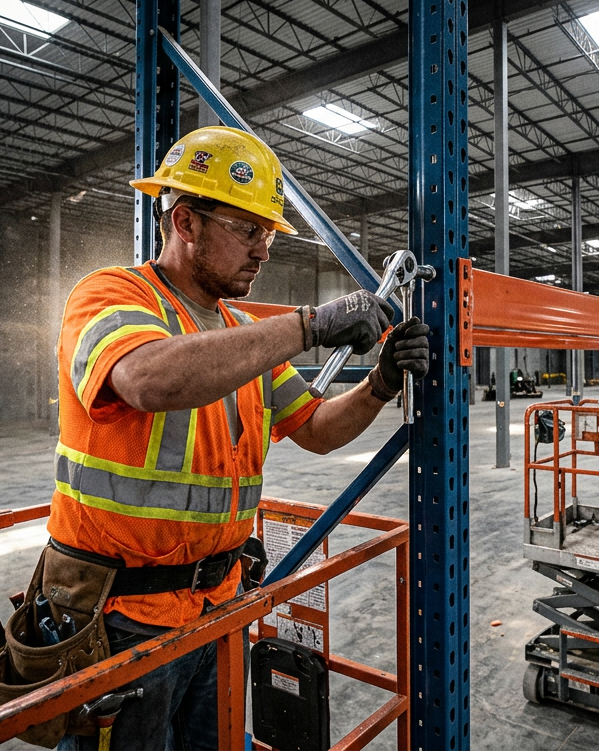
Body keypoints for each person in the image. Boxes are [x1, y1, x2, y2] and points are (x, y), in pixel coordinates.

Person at [51, 127, 430, 750]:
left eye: (270, 234)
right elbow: (148, 378)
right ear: (186, 221)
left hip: (219, 606)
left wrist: (380, 384)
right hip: (123, 618)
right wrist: (307, 325)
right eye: (248, 230)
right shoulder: (111, 295)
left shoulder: (239, 331)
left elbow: (314, 428)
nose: (263, 251)